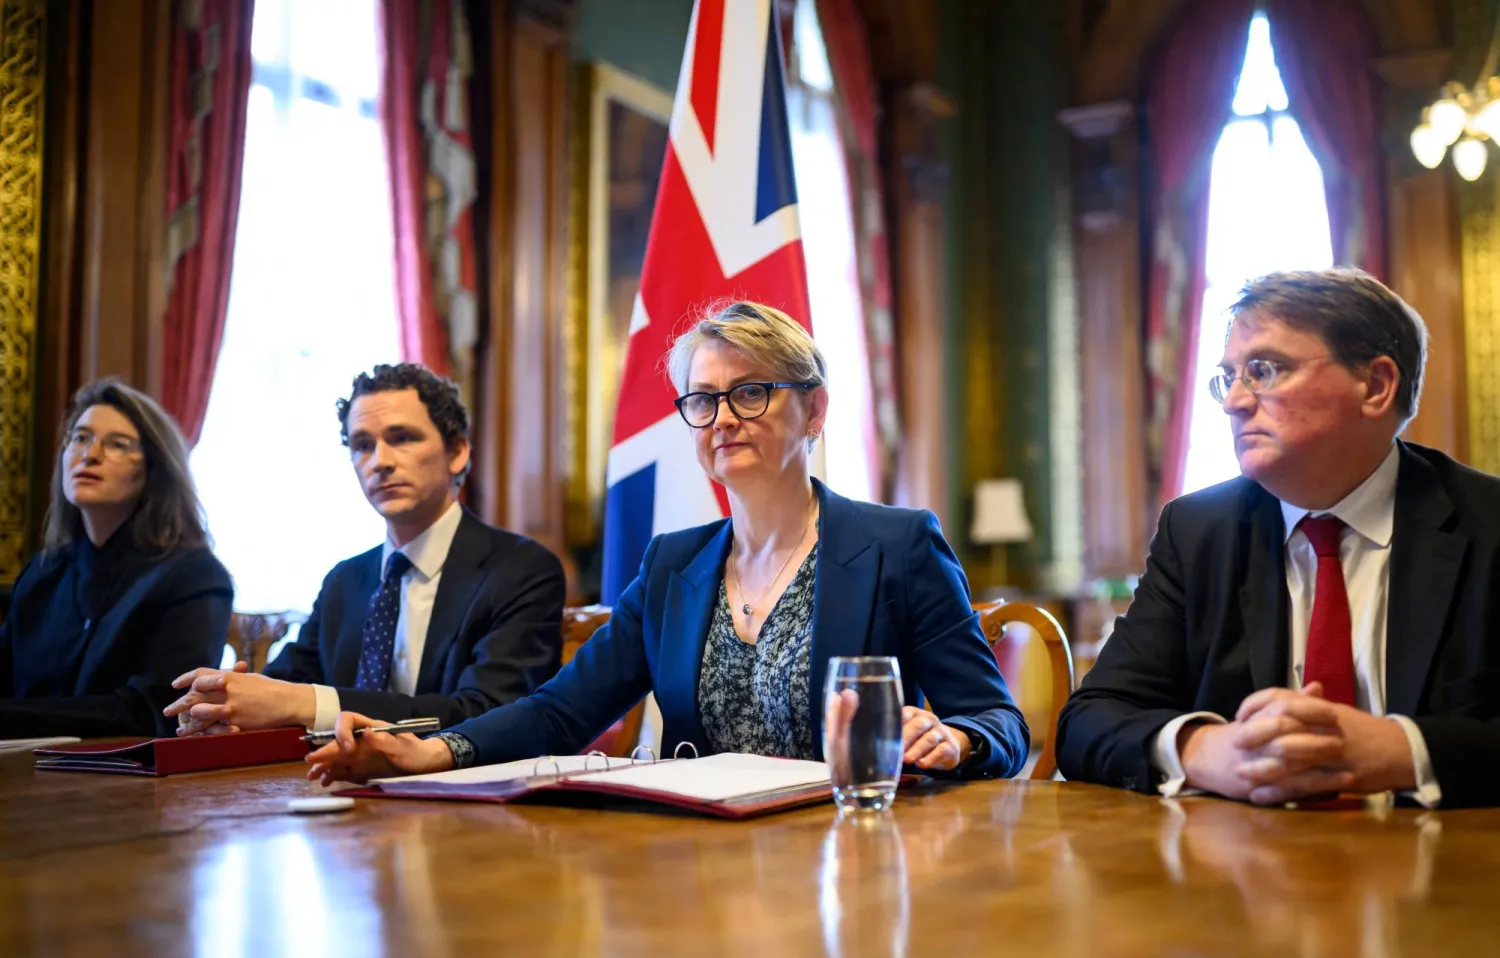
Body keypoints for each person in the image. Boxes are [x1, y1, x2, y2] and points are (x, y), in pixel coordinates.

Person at [304, 301, 1029, 783]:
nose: (722, 418)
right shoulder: (673, 564)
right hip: (702, 864)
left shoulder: (896, 546)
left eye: (751, 392)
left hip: (854, 855)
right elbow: (561, 710)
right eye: (703, 399)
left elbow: (999, 721)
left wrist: (955, 739)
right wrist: (433, 750)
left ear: (814, 410)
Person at [1057, 268, 1500, 810]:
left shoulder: (1488, 525)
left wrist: (1402, 750)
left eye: (1264, 371)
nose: (1234, 402)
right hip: (1246, 871)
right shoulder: (1199, 531)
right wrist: (1205, 749)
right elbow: (1090, 719)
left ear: (1376, 386)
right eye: (1230, 377)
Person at [165, 363, 566, 734]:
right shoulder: (346, 579)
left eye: (402, 438)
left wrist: (307, 702)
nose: (381, 462)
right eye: (362, 445)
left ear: (457, 452)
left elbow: (487, 713)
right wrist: (223, 704)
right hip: (336, 790)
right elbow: (284, 686)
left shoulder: (521, 569)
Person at [0, 379, 233, 737]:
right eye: (79, 438)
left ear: (153, 470)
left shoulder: (195, 576)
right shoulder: (42, 574)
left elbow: (156, 710)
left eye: (117, 445)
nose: (89, 454)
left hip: (130, 784)